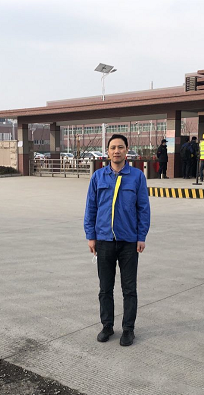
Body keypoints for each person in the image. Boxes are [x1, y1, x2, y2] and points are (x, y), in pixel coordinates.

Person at [84, 134, 151, 347]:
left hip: (129, 241)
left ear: (127, 150)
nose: (116, 151)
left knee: (129, 289)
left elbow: (143, 208)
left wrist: (141, 237)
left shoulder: (137, 177)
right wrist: (91, 236)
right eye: (113, 147)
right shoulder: (98, 177)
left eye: (120, 147)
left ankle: (128, 329)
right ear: (107, 151)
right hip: (104, 240)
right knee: (105, 288)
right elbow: (91, 208)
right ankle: (107, 326)